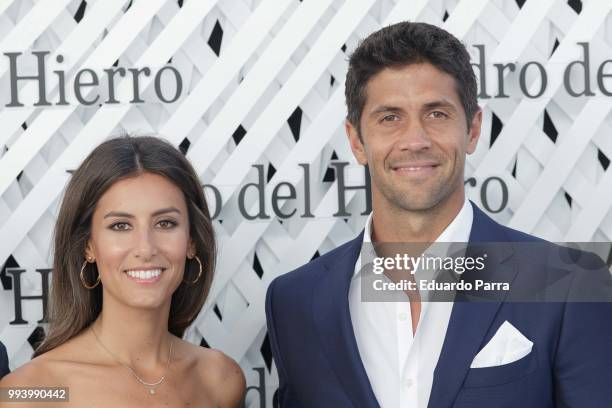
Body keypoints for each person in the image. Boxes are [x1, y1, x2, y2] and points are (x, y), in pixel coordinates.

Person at [265, 22, 612, 407]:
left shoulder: (569, 285)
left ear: (474, 129)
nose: (415, 140)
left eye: (436, 114)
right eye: (390, 117)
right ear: (355, 141)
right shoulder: (294, 302)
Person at [0, 136, 245, 406]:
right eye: (120, 226)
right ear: (88, 246)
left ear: (191, 241)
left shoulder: (220, 379)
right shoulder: (31, 392)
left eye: (165, 223)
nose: (145, 248)